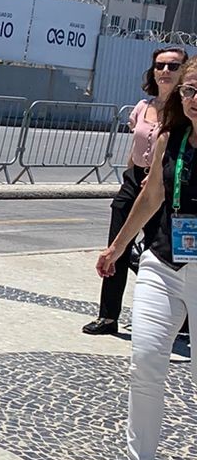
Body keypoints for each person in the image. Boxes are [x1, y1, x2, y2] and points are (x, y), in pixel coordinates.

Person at [95, 54, 197, 460]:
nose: (194, 99)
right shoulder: (173, 135)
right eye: (190, 90)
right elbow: (152, 193)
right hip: (163, 261)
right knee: (145, 365)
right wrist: (117, 246)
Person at [82, 46, 184, 336]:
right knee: (116, 247)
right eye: (160, 66)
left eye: (173, 66)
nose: (165, 71)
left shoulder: (186, 112)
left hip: (163, 187)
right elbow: (136, 148)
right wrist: (130, 174)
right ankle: (108, 316)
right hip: (134, 181)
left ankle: (173, 316)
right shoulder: (143, 107)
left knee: (159, 252)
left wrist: (157, 175)